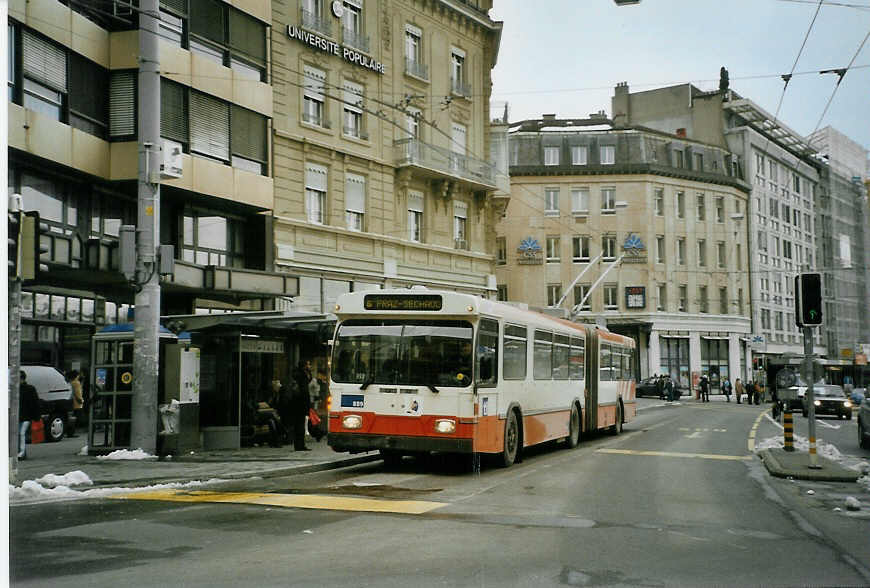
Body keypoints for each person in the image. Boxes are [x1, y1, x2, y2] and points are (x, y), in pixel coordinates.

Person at [18, 371, 42, 460]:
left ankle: (21, 452)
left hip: (25, 416)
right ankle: (21, 452)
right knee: (21, 433)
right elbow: (35, 403)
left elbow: (35, 403)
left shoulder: (27, 389)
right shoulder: (29, 388)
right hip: (25, 415)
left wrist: (36, 416)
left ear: (22, 379)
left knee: (21, 433)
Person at [292, 359, 313, 451]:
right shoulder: (301, 375)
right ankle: (299, 445)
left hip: (300, 403)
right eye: (308, 364)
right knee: (299, 425)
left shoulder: (302, 374)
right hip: (300, 403)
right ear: (304, 366)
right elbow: (304, 388)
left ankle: (300, 444)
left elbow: (309, 379)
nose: (310, 366)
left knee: (300, 425)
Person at [68, 370, 83, 437]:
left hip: (71, 402)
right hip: (77, 403)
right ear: (77, 376)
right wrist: (81, 400)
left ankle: (70, 432)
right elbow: (78, 393)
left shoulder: (70, 382)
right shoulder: (77, 383)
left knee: (72, 418)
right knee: (76, 419)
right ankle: (72, 432)